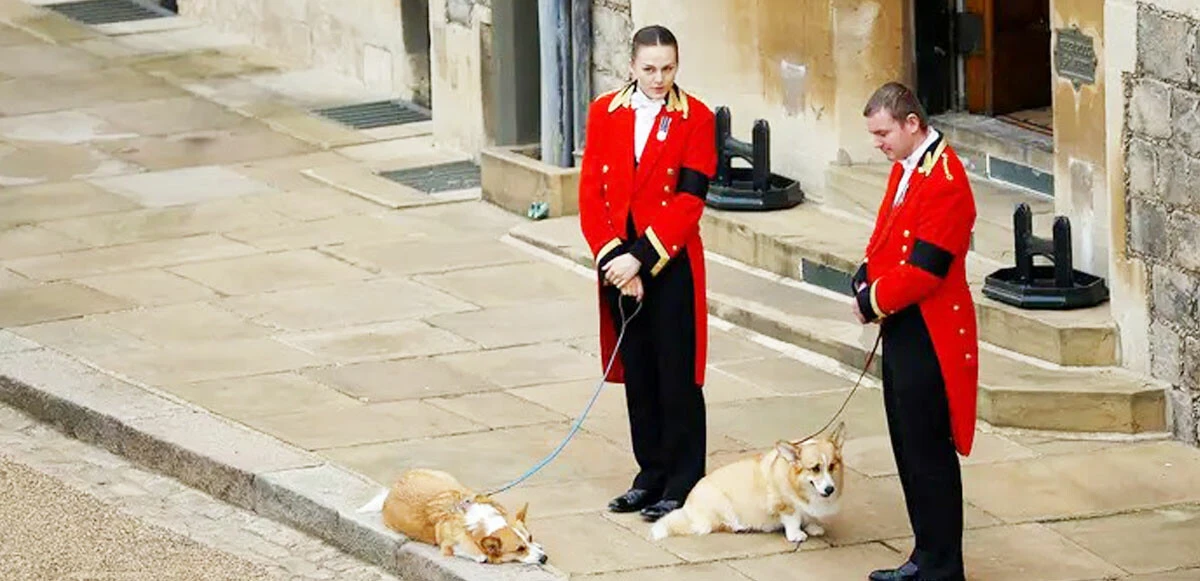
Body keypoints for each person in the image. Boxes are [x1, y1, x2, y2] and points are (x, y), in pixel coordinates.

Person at [576, 24, 716, 523]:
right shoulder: (604, 112)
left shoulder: (696, 118)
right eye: (650, 68)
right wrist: (614, 260)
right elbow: (591, 194)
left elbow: (690, 200)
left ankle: (683, 480)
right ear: (631, 66)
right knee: (638, 372)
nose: (659, 79)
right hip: (619, 266)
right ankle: (650, 474)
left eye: (668, 68)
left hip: (669, 263)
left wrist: (640, 258)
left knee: (677, 375)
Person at [853, 82, 978, 581]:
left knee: (928, 450)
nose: (878, 143)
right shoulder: (908, 166)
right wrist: (864, 274)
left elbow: (927, 270)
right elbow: (887, 236)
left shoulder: (945, 179)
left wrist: (871, 300)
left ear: (911, 124)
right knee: (907, 445)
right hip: (904, 322)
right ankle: (925, 556)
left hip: (931, 331)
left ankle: (942, 566)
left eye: (883, 133)